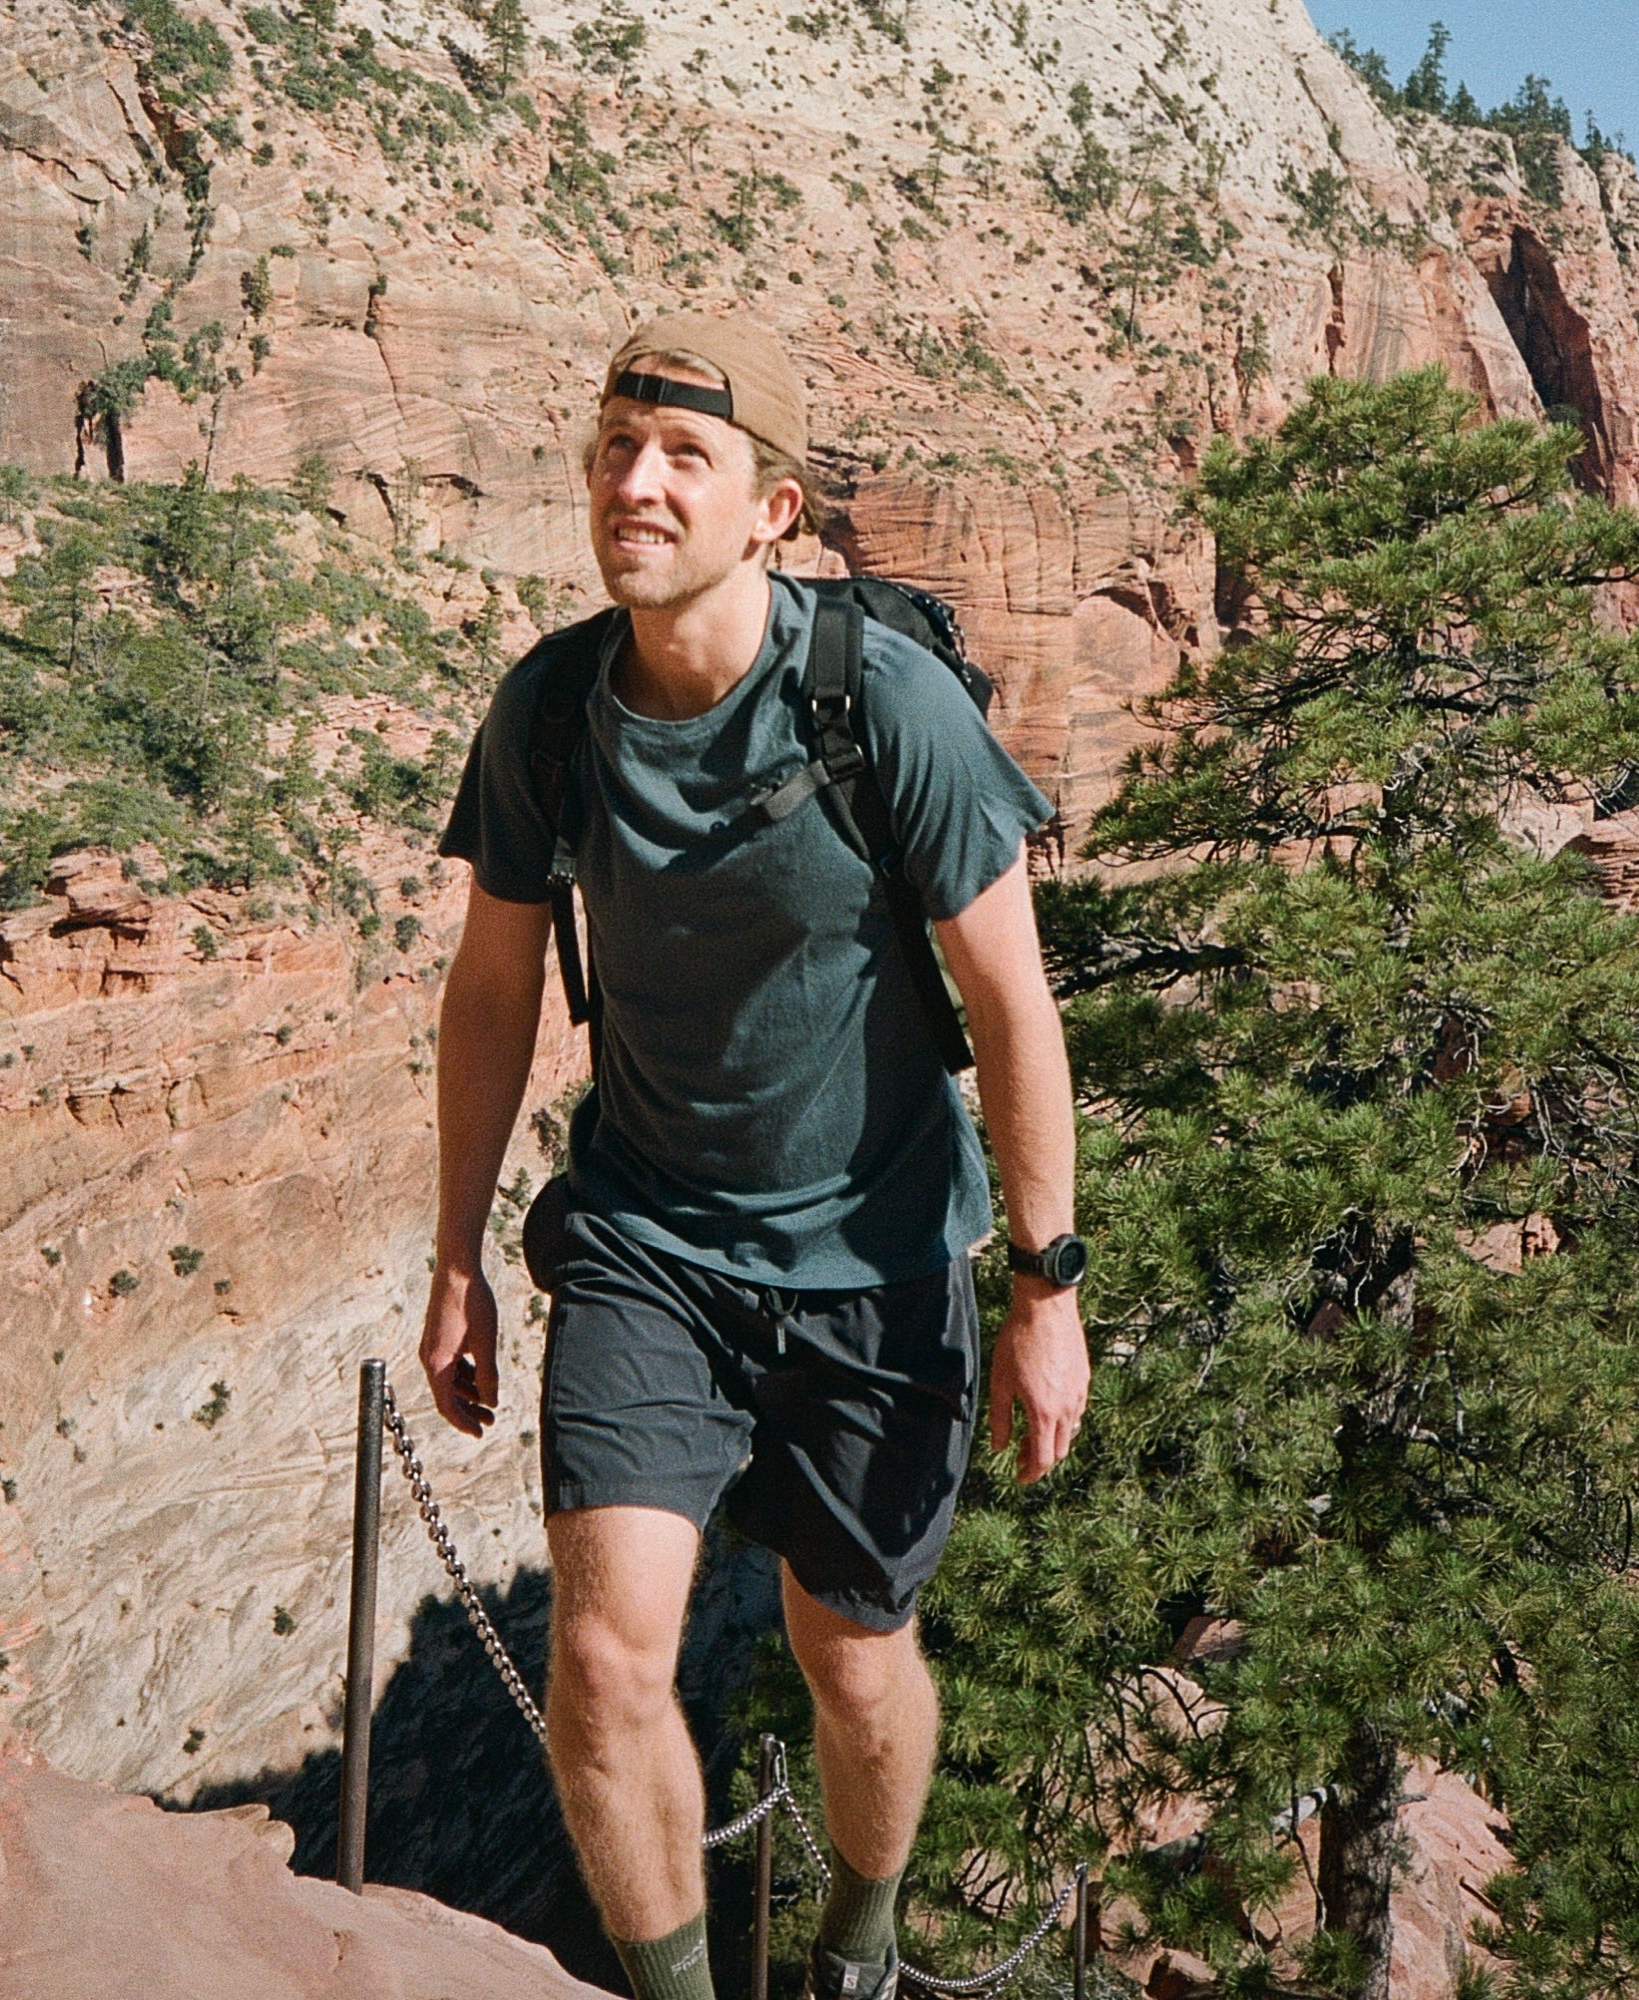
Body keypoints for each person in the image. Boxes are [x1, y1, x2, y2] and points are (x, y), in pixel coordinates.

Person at [424, 310, 1089, 2000]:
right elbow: (495, 986)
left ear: (771, 510)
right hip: (650, 1240)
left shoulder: (887, 709)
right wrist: (454, 1255)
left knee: (852, 1665)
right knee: (602, 1659)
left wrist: (1045, 1283)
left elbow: (1011, 1002)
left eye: (683, 460)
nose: (633, 487)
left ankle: (857, 1946)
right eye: (612, 451)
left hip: (877, 1260)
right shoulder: (553, 712)